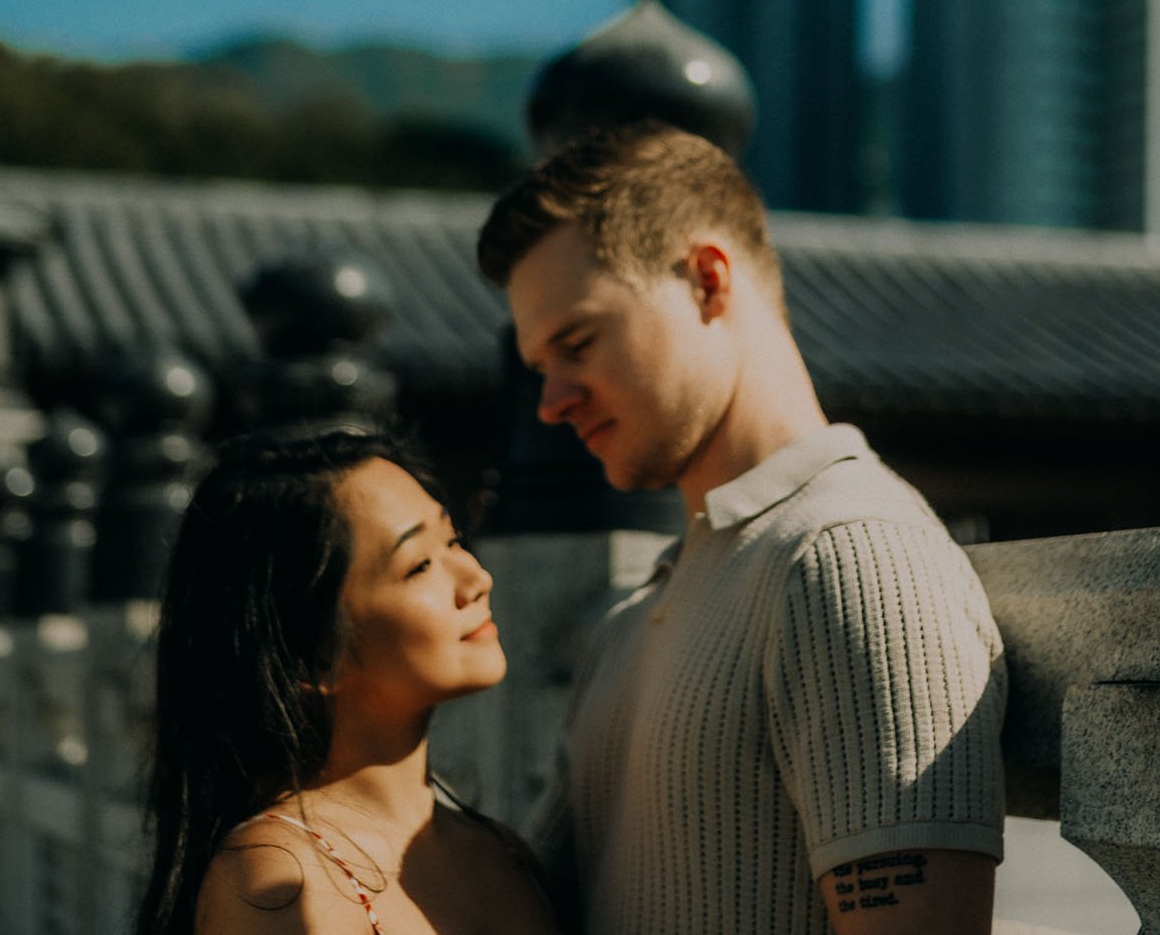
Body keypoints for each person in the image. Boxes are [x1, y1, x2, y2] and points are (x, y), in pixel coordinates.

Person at [477, 124, 1007, 935]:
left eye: (577, 342)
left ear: (706, 280)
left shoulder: (848, 553)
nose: (551, 401)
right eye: (539, 364)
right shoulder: (639, 611)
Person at [137, 425, 566, 935]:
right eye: (420, 565)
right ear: (316, 656)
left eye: (452, 539)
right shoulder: (277, 879)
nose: (475, 578)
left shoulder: (502, 849)